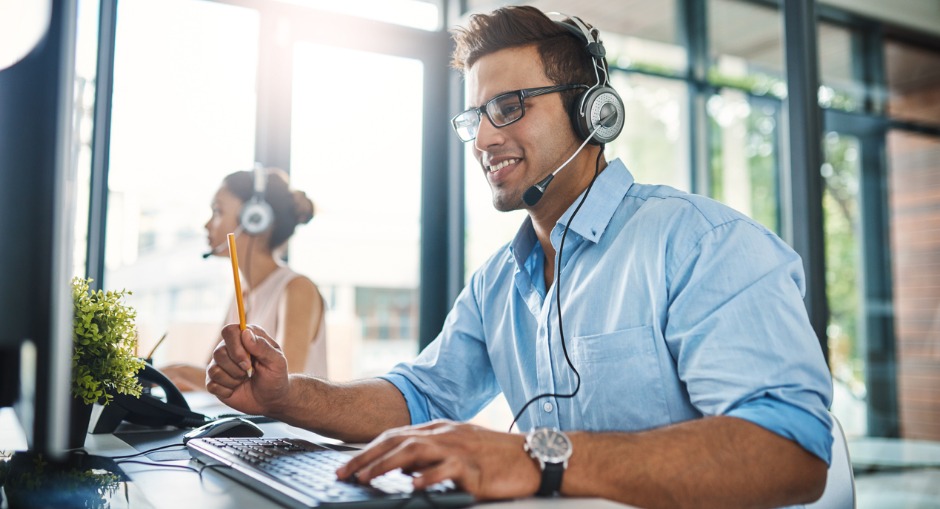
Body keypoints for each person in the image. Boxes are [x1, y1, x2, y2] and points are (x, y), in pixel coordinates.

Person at [205, 7, 834, 508]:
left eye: (508, 107)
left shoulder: (701, 243)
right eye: (475, 115)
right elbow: (420, 397)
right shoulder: (499, 281)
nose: (482, 137)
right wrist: (287, 396)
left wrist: (536, 456)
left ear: (594, 112)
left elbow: (789, 451)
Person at [162, 167, 326, 391]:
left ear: (253, 218)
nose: (207, 225)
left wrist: (179, 372)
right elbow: (212, 374)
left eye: (218, 211)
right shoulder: (243, 294)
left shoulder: (297, 289)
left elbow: (284, 386)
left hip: (287, 427)